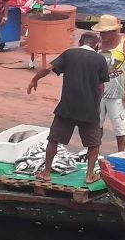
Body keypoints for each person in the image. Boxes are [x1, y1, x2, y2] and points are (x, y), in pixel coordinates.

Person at [28, 30, 111, 184]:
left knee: (53, 139)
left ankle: (46, 172)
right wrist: (96, 105)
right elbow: (101, 87)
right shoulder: (100, 60)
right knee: (94, 143)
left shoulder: (69, 54)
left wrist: (34, 80)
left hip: (66, 106)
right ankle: (90, 174)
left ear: (80, 42)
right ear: (95, 45)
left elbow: (48, 68)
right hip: (89, 109)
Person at [94, 14, 125, 152]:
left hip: (117, 93)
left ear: (114, 31)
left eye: (105, 32)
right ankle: (95, 151)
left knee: (119, 125)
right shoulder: (97, 44)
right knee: (96, 124)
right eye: (101, 31)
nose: (102, 34)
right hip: (98, 92)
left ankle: (121, 153)